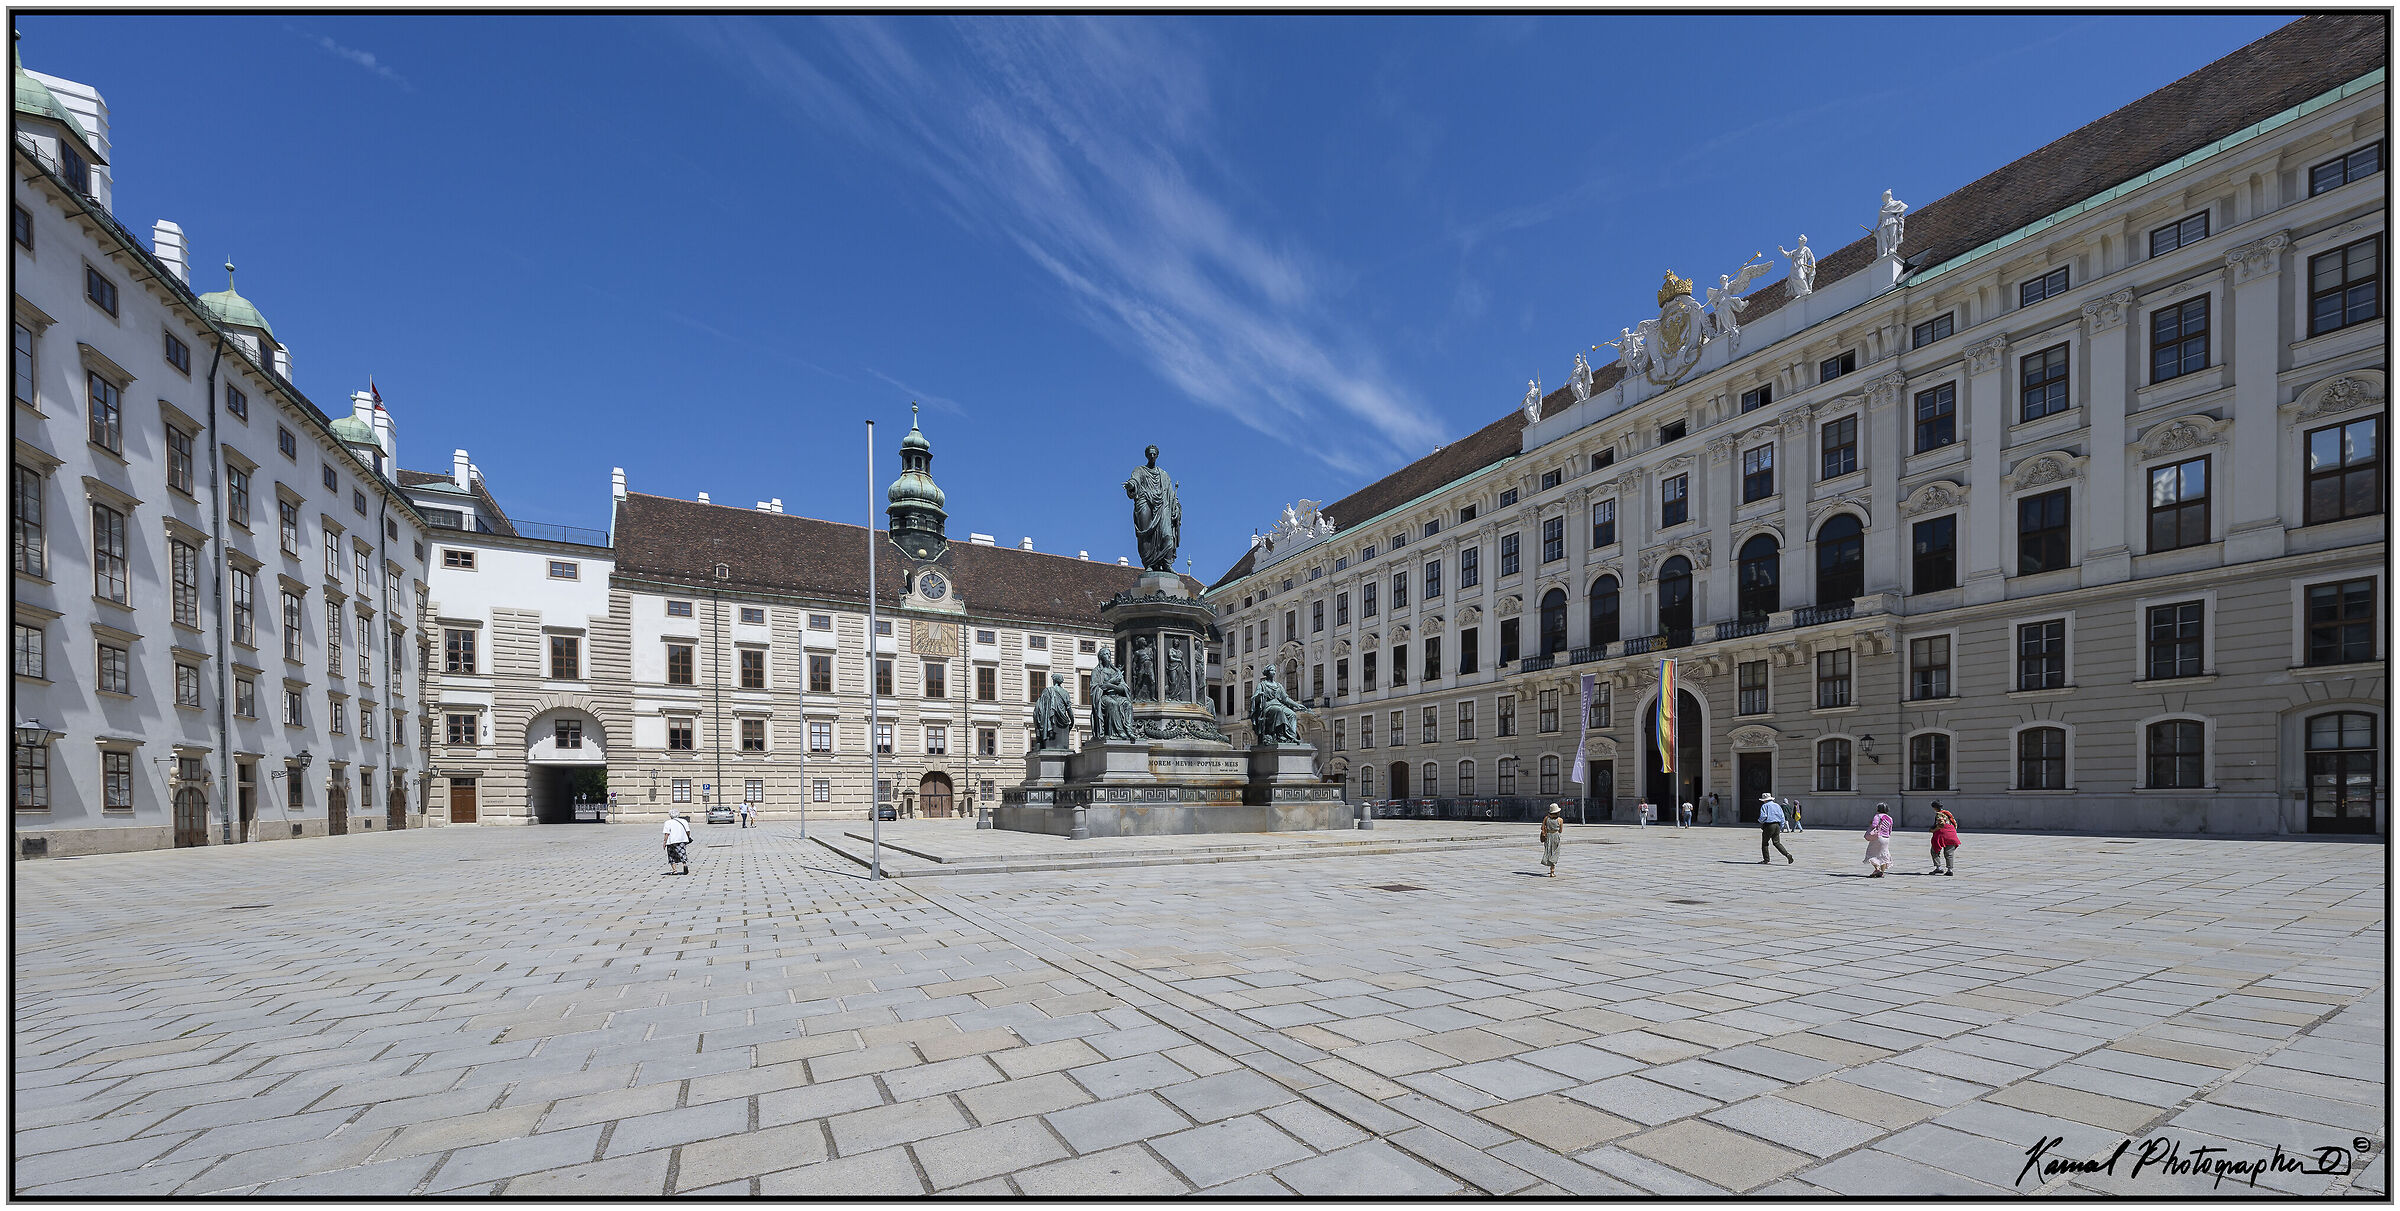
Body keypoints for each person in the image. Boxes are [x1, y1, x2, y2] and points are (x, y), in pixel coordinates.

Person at [1757, 793, 1794, 864]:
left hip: (1769, 825)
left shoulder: (1765, 806)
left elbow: (1763, 816)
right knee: (1777, 843)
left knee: (1765, 843)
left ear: (1765, 800)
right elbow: (1782, 817)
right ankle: (1787, 854)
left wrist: (1760, 822)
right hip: (1777, 825)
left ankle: (1766, 860)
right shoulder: (1777, 805)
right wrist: (1781, 827)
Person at [1928, 801, 1960, 876]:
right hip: (1952, 834)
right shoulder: (1948, 813)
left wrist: (1933, 830)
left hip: (1942, 835)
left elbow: (1941, 824)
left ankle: (1938, 868)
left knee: (1934, 850)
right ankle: (1950, 870)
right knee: (1949, 853)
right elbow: (1955, 824)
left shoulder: (1939, 814)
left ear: (1934, 807)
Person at [1863, 803, 1895, 877]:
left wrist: (1871, 823)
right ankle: (1882, 872)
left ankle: (1877, 869)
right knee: (1884, 854)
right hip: (1886, 838)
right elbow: (1890, 830)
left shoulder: (1877, 816)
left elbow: (1874, 825)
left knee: (1871, 853)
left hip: (1878, 837)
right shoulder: (1890, 818)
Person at [662, 810, 693, 875]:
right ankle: (684, 865)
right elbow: (688, 831)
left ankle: (674, 870)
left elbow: (667, 833)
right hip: (682, 839)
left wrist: (664, 842)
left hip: (671, 841)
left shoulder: (668, 822)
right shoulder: (684, 821)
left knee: (671, 855)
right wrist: (687, 837)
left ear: (670, 815)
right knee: (682, 853)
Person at [1540, 803, 1565, 876]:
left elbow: (1542, 827)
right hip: (1556, 836)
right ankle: (1552, 870)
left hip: (1548, 836)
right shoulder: (1560, 820)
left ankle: (1551, 868)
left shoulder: (1546, 818)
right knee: (1555, 852)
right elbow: (1560, 831)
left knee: (1549, 851)